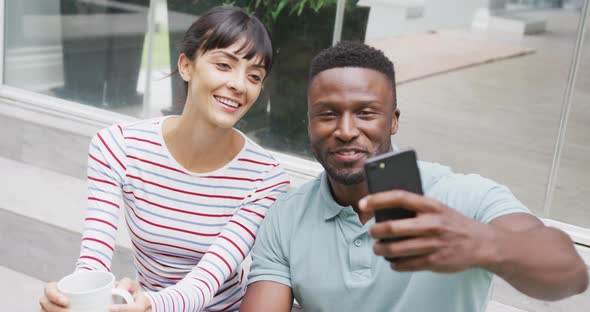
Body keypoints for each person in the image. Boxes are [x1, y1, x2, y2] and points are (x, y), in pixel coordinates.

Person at [240, 41, 588, 312]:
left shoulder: (460, 197)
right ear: (310, 123)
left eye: (365, 113)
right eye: (327, 114)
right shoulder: (287, 216)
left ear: (393, 119)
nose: (345, 131)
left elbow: (570, 273)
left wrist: (485, 245)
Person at [39, 6, 290, 312]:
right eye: (224, 65)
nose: (239, 84)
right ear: (186, 66)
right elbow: (93, 262)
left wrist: (148, 305)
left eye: (254, 76)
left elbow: (204, 283)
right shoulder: (117, 147)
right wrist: (71, 300)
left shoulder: (266, 177)